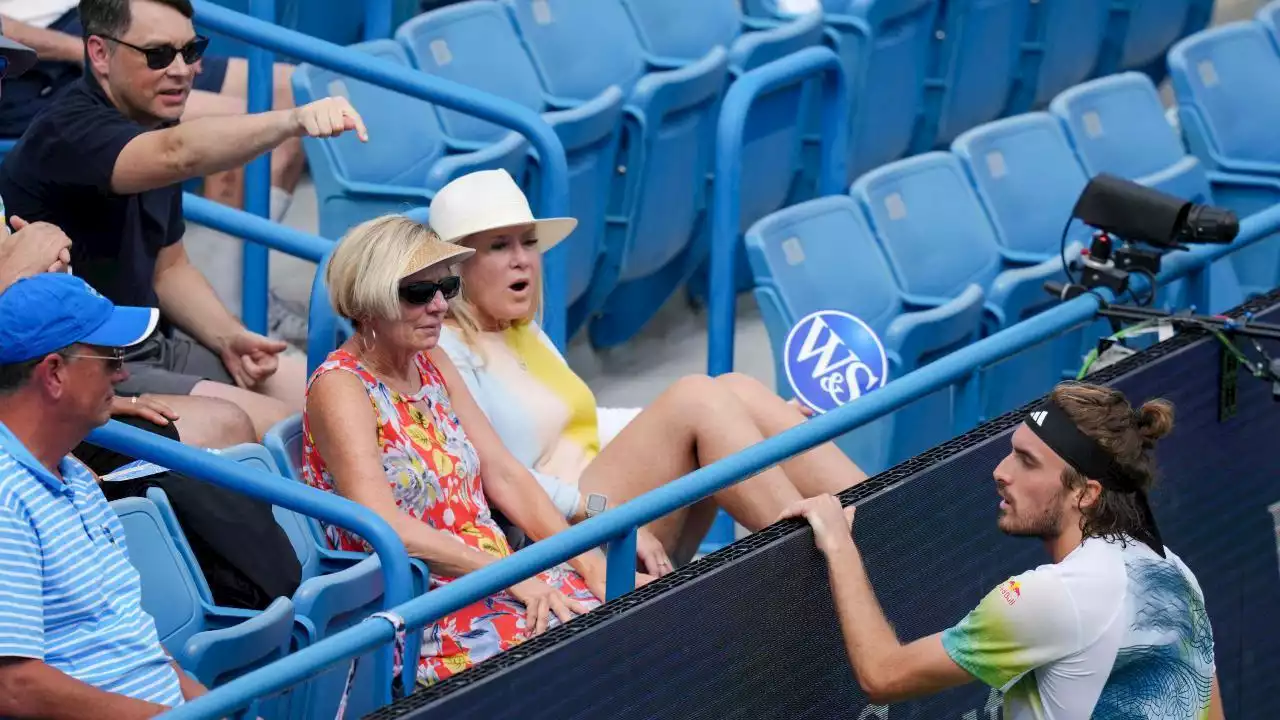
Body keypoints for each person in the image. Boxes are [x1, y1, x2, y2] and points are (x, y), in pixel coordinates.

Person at [431, 169, 869, 569]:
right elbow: (495, 478)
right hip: (563, 539)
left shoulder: (522, 331)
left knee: (733, 391)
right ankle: (835, 567)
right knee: (699, 398)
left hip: (605, 506)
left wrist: (737, 419)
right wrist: (602, 509)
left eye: (528, 242)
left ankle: (890, 522)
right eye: (498, 247)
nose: (522, 259)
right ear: (456, 269)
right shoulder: (447, 351)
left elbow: (587, 423)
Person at [0, 0, 369, 442]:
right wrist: (293, 121)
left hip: (150, 343)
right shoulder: (67, 131)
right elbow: (180, 153)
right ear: (99, 53)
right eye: (158, 55)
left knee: (345, 395)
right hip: (86, 361)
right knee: (289, 429)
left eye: (191, 51)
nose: (182, 69)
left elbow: (168, 268)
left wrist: (229, 336)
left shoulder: (152, 120)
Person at [782, 382, 1223, 719]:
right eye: (1011, 453)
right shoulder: (1171, 570)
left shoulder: (1053, 597)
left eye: (1027, 462)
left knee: (711, 403)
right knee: (717, 400)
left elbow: (881, 675)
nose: (999, 472)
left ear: (1085, 494)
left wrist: (838, 542)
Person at [303, 215, 608, 687]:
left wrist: (589, 562)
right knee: (588, 658)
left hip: (497, 572)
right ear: (367, 301)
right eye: (418, 293)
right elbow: (383, 524)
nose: (441, 305)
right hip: (421, 604)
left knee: (634, 614)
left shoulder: (432, 359)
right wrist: (511, 575)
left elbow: (503, 472)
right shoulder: (341, 387)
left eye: (446, 286)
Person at [0, 272, 208, 716]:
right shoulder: (5, 496)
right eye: (111, 358)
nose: (124, 372)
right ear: (54, 372)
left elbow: (135, 647)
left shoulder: (74, 472)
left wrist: (214, 710)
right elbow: (14, 686)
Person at [0, 0, 305, 219]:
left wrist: (178, 44)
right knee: (251, 127)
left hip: (109, 26)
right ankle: (233, 290)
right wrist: (87, 52)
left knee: (298, 87)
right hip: (41, 66)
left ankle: (245, 282)